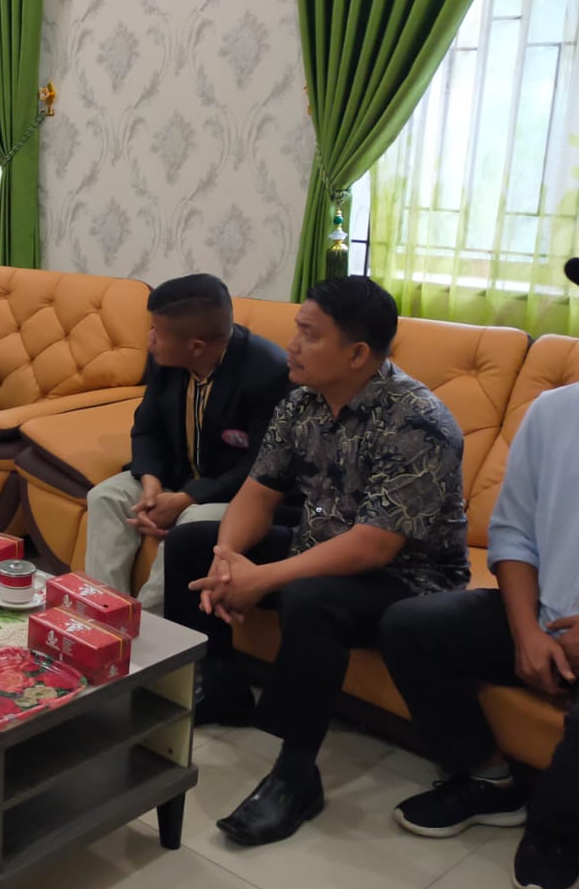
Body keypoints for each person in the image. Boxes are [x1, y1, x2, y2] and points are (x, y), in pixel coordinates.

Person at [380, 248, 579, 889]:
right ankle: (487, 780)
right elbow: (513, 534)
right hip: (543, 612)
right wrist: (526, 632)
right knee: (409, 624)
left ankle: (553, 827)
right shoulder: (555, 413)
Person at [161, 276, 469, 846]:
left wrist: (263, 578)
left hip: (408, 580)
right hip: (321, 547)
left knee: (310, 597)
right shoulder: (302, 401)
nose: (292, 344)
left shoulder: (417, 421)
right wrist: (229, 558)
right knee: (190, 543)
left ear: (356, 353)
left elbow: (374, 545)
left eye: (309, 334)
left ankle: (296, 774)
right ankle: (219, 682)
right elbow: (258, 493)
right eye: (297, 330)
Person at [84, 273, 291, 615]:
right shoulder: (167, 358)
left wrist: (186, 498)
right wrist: (150, 484)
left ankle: (150, 625)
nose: (149, 339)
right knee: (106, 496)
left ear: (195, 346)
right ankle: (102, 613)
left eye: (156, 332)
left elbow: (261, 466)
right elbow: (146, 428)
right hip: (176, 476)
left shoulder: (268, 373)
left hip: (237, 495)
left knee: (193, 520)